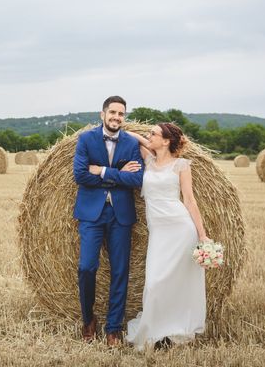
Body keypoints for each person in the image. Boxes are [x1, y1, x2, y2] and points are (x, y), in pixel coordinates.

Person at [123, 122, 209, 350]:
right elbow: (129, 134)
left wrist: (202, 235)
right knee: (154, 283)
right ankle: (153, 328)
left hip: (181, 229)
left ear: (167, 140)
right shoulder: (147, 160)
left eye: (154, 134)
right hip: (159, 232)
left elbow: (189, 200)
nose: (148, 136)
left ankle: (173, 330)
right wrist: (144, 139)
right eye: (149, 133)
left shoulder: (181, 165)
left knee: (176, 283)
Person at [73, 96, 144, 345]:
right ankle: (88, 319)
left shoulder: (130, 143)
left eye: (121, 114)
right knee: (87, 267)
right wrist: (117, 175)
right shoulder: (86, 139)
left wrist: (101, 171)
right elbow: (81, 175)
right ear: (102, 114)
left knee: (120, 270)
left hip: (120, 214)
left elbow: (136, 180)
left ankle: (113, 327)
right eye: (112, 112)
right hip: (91, 213)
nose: (117, 117)